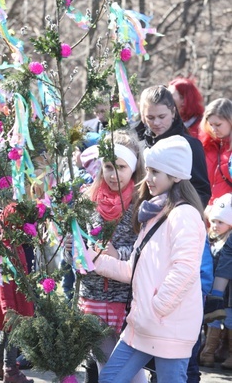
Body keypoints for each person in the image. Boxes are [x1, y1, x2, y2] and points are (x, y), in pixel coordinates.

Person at [88, 135, 206, 383]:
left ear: (175, 175)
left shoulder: (183, 214)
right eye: (149, 170)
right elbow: (136, 268)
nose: (148, 178)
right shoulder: (155, 212)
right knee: (110, 378)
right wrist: (92, 259)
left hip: (167, 327)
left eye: (155, 172)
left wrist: (157, 308)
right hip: (142, 325)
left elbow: (184, 270)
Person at [65, 130, 147, 383]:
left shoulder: (141, 203)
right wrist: (71, 250)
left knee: (127, 363)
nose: (113, 174)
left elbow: (145, 249)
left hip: (124, 295)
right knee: (103, 358)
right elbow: (79, 251)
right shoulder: (88, 199)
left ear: (132, 168)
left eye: (121, 167)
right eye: (109, 167)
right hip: (92, 294)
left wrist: (118, 254)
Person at [138, 84, 211, 207]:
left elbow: (202, 191)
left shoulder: (190, 145)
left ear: (173, 112)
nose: (156, 123)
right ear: (143, 117)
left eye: (162, 117)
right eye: (150, 117)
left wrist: (181, 212)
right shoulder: (141, 145)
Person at [0, 202, 34, 382]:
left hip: (16, 302)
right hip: (12, 305)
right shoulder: (6, 254)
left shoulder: (14, 247)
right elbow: (3, 286)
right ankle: (10, 370)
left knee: (9, 331)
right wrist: (9, 310)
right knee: (14, 330)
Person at [200, 193, 232, 369]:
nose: (215, 225)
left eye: (221, 222)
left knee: (229, 321)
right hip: (213, 291)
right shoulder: (212, 240)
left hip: (227, 294)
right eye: (213, 221)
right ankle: (208, 353)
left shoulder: (228, 242)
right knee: (213, 320)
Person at [199, 98, 232, 204]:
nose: (213, 130)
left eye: (218, 125)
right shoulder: (206, 146)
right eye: (211, 125)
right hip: (208, 212)